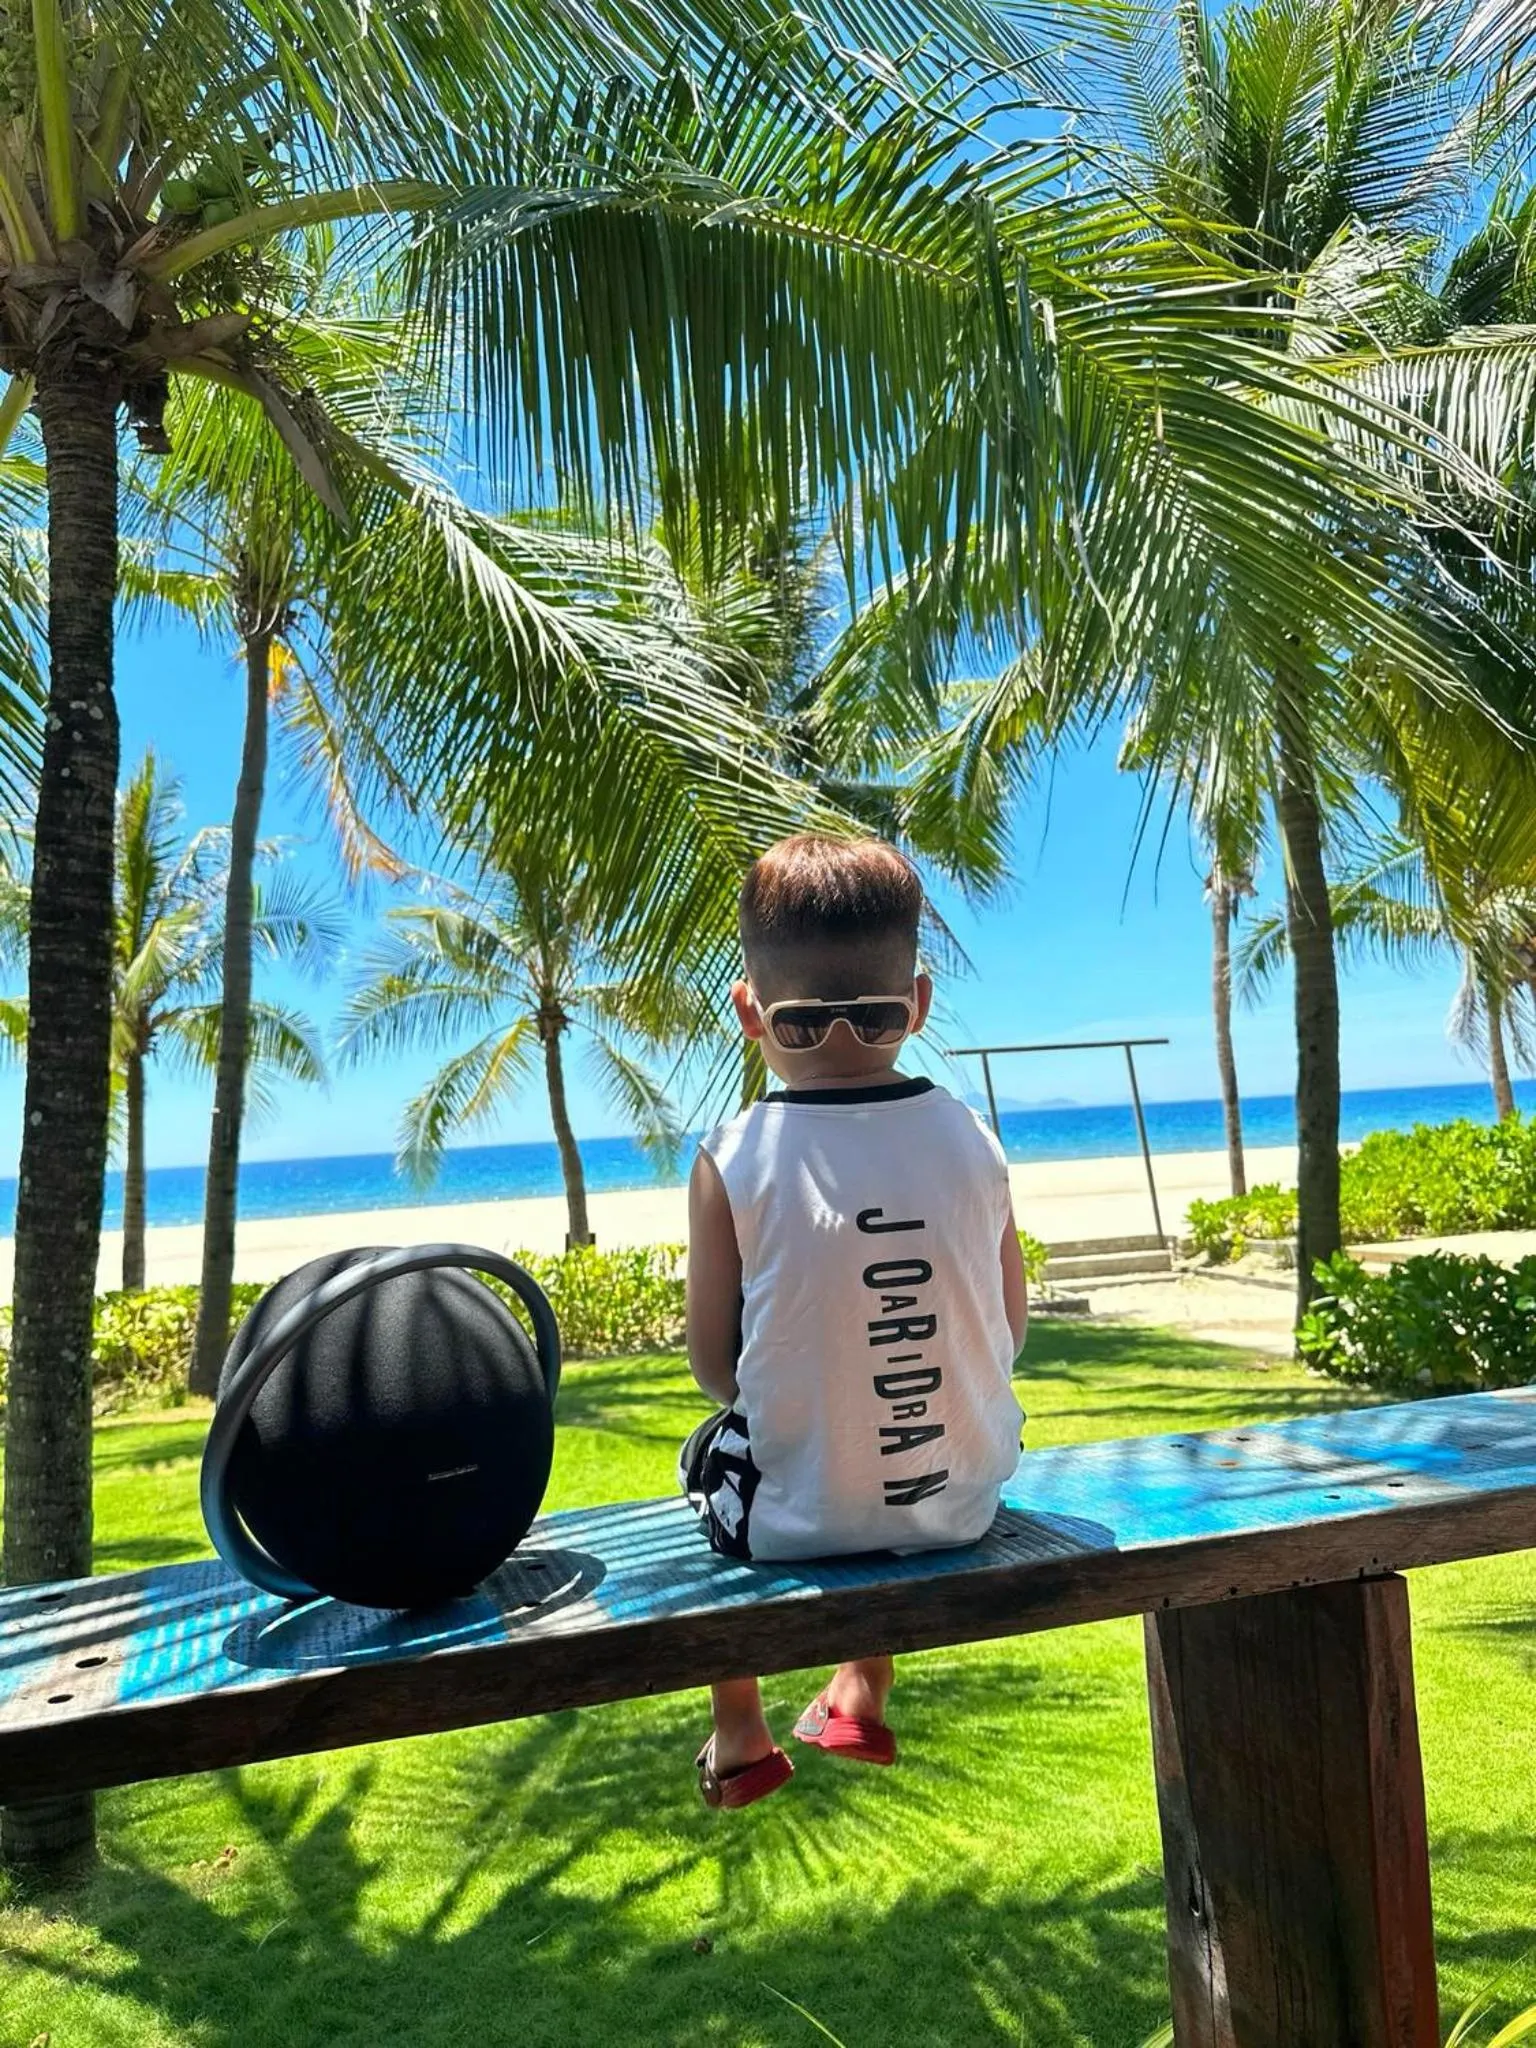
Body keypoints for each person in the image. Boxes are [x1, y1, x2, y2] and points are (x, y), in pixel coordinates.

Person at [682, 832, 1030, 1810]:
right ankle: (861, 1684)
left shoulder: (733, 1152)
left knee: (717, 1459)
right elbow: (1009, 1331)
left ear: (749, 1011)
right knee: (863, 1439)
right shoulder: (972, 1137)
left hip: (799, 1521)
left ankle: (740, 1730)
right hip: (957, 1504)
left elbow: (718, 1366)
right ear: (916, 1003)